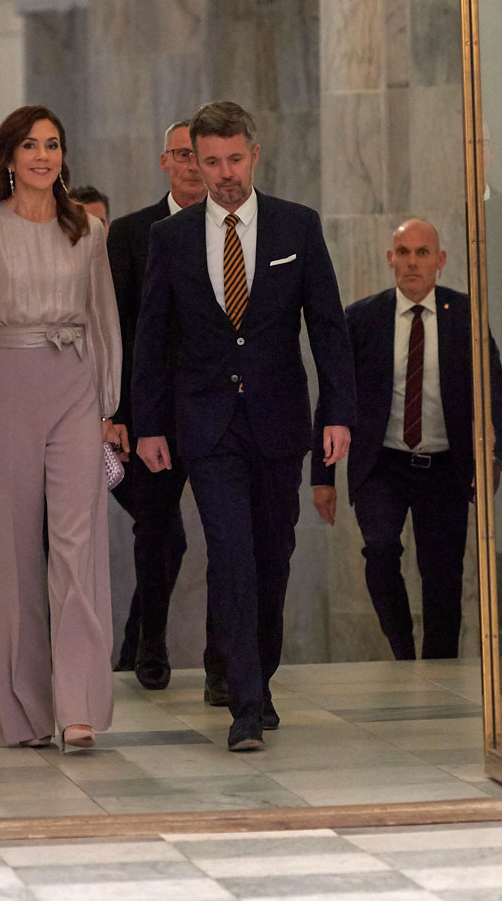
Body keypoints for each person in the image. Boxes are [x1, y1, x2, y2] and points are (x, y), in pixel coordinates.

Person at [132, 100, 356, 751]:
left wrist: (337, 414)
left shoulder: (297, 227)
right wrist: (149, 424)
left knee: (272, 556)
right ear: (193, 162)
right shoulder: (169, 240)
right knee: (228, 554)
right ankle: (245, 706)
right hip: (205, 423)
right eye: (210, 161)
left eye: (234, 159)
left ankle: (261, 674)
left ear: (253, 155)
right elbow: (151, 339)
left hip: (279, 419)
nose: (224, 173)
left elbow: (329, 328)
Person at [0, 105, 124, 751]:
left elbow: (103, 319)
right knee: (9, 552)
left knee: (77, 544)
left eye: (53, 145)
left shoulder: (88, 233)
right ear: (9, 158)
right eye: (31, 146)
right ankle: (22, 712)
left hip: (75, 385)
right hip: (3, 387)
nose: (43, 156)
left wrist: (107, 407)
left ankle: (77, 707)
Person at [312, 218, 502, 660]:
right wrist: (322, 475)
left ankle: (439, 665)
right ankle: (402, 652)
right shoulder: (362, 319)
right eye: (403, 252)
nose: (412, 262)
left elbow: (495, 390)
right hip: (383, 465)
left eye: (422, 253)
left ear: (440, 261)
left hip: (446, 466)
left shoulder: (467, 317)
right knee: (380, 551)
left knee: (443, 575)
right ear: (389, 259)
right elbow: (333, 398)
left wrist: (493, 462)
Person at [107, 121, 226, 700]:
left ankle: (221, 660)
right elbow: (120, 334)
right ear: (165, 162)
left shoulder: (238, 231)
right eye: (180, 155)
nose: (189, 165)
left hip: (222, 410)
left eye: (197, 156)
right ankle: (150, 642)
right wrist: (121, 412)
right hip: (153, 414)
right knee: (156, 530)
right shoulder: (130, 234)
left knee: (227, 532)